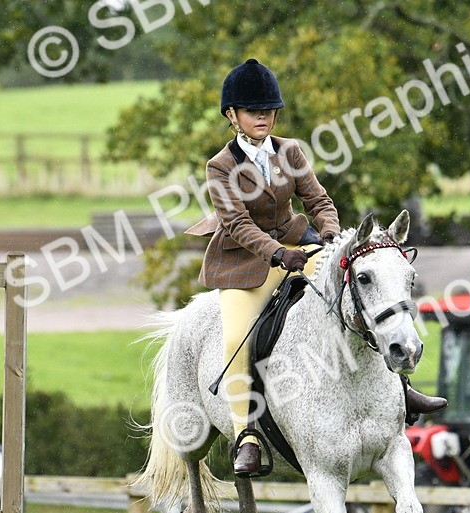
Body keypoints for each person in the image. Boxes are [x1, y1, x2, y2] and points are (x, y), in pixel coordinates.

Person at [186, 58, 446, 477]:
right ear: (232, 116)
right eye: (254, 111)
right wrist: (277, 253)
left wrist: (331, 236)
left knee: (359, 299)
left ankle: (401, 387)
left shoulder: (290, 151)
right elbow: (236, 224)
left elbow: (319, 201)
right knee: (237, 338)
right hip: (244, 264)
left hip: (298, 246)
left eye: (269, 111)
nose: (263, 118)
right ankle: (247, 435)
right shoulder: (221, 166)